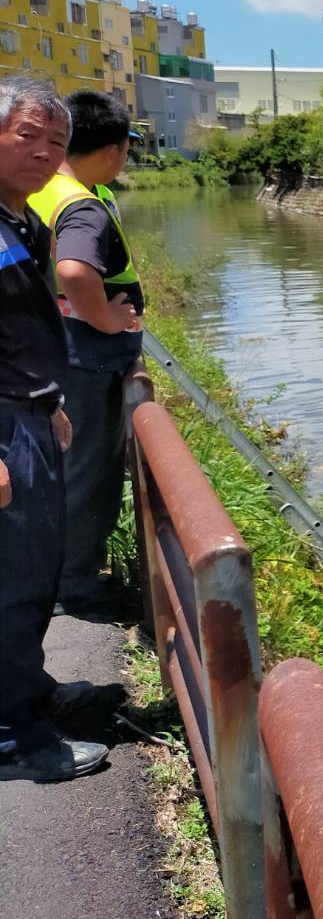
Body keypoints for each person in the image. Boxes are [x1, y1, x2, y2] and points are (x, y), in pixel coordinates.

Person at [0, 76, 111, 782]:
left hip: (29, 413)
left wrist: (53, 400)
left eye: (57, 142)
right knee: (10, 581)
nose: (44, 152)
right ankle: (16, 739)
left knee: (33, 575)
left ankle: (29, 693)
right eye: (27, 135)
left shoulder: (21, 220)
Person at [28, 91, 145, 609]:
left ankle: (60, 573)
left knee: (62, 469)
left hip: (51, 353)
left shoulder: (44, 188)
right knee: (90, 473)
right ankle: (76, 587)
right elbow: (74, 271)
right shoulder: (82, 207)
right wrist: (107, 316)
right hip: (87, 362)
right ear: (114, 150)